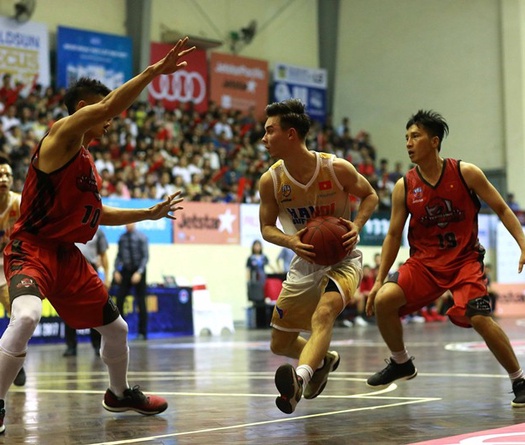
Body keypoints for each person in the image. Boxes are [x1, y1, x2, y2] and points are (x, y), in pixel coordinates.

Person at [0, 37, 195, 434]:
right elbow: (109, 106)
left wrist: (149, 211)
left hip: (66, 255)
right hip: (31, 247)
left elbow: (97, 213)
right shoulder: (59, 137)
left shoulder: (87, 161)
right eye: (104, 113)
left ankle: (119, 393)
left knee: (117, 328)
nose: (111, 121)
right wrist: (156, 71)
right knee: (26, 316)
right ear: (83, 108)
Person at [365, 110, 525, 407]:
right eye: (406, 138)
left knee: (479, 316)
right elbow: (392, 236)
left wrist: (522, 242)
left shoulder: (466, 173)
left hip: (464, 261)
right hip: (424, 264)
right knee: (383, 299)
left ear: (434, 141)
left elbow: (503, 209)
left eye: (415, 136)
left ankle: (519, 380)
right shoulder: (404, 185)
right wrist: (376, 281)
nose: (409, 143)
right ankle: (401, 362)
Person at [258, 99, 378, 414]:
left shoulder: (336, 168)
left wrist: (356, 224)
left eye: (270, 131)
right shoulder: (271, 181)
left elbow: (370, 195)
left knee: (323, 314)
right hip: (304, 259)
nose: (264, 138)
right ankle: (322, 359)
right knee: (279, 344)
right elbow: (267, 229)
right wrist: (290, 241)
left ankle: (300, 380)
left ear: (291, 134)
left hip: (343, 259)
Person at [63, 227, 111, 357]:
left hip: (90, 268)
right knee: (68, 309)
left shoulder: (97, 230)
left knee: (94, 309)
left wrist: (107, 276)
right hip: (70, 269)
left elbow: (103, 254)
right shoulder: (69, 225)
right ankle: (71, 346)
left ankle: (97, 345)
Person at [0, 158, 25, 387]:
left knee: (15, 312)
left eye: (7, 175)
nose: (4, 179)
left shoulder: (20, 201)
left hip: (10, 262)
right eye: (0, 175)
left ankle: (16, 360)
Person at [113, 223, 149, 340]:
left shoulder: (142, 237)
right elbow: (118, 256)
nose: (127, 225)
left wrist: (139, 272)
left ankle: (142, 333)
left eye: (129, 223)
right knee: (119, 300)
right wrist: (116, 271)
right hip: (125, 271)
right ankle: (120, 331)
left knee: (141, 302)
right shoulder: (122, 238)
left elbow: (145, 257)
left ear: (134, 223)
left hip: (138, 271)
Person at [246, 239, 270, 328]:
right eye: (255, 245)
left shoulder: (264, 257)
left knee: (265, 301)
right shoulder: (250, 258)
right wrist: (248, 282)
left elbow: (270, 265)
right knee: (256, 301)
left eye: (258, 245)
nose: (257, 247)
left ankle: (264, 322)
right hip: (255, 281)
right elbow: (248, 270)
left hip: (263, 281)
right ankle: (257, 323)